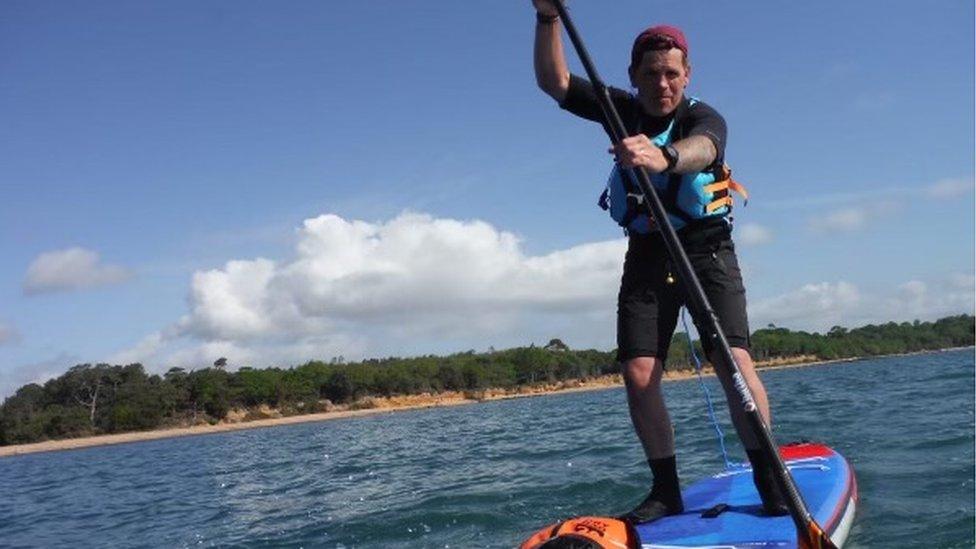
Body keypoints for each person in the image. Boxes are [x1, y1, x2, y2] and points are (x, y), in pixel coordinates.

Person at [530, 0, 789, 523]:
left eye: (672, 73)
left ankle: (768, 474)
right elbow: (554, 81)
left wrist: (662, 156)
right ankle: (665, 489)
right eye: (651, 74)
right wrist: (547, 18)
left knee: (732, 361)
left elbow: (703, 150)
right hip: (648, 253)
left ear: (686, 74)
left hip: (706, 248)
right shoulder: (619, 108)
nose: (662, 83)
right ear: (634, 76)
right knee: (639, 370)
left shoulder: (703, 117)